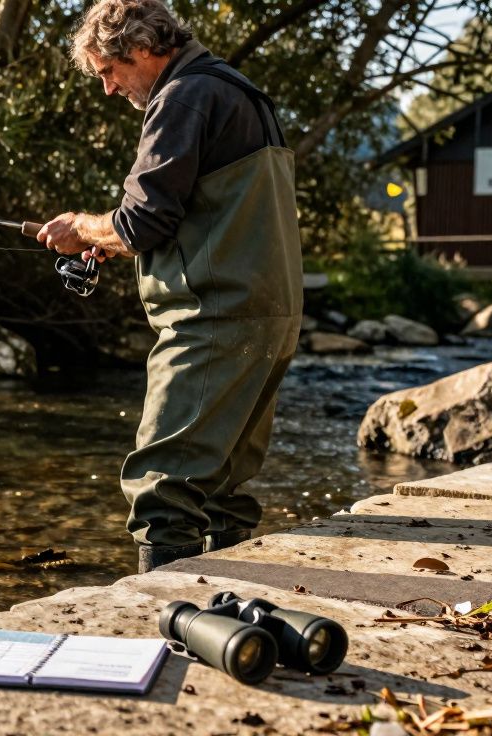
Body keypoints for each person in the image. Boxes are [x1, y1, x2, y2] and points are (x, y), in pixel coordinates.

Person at [37, 0, 304, 573]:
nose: (108, 90)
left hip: (214, 314)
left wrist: (81, 227)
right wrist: (109, 242)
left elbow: (139, 223)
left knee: (161, 488)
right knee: (226, 487)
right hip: (269, 316)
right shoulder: (239, 90)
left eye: (108, 73)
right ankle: (227, 608)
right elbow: (202, 213)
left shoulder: (182, 97)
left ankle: (167, 621)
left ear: (138, 50)